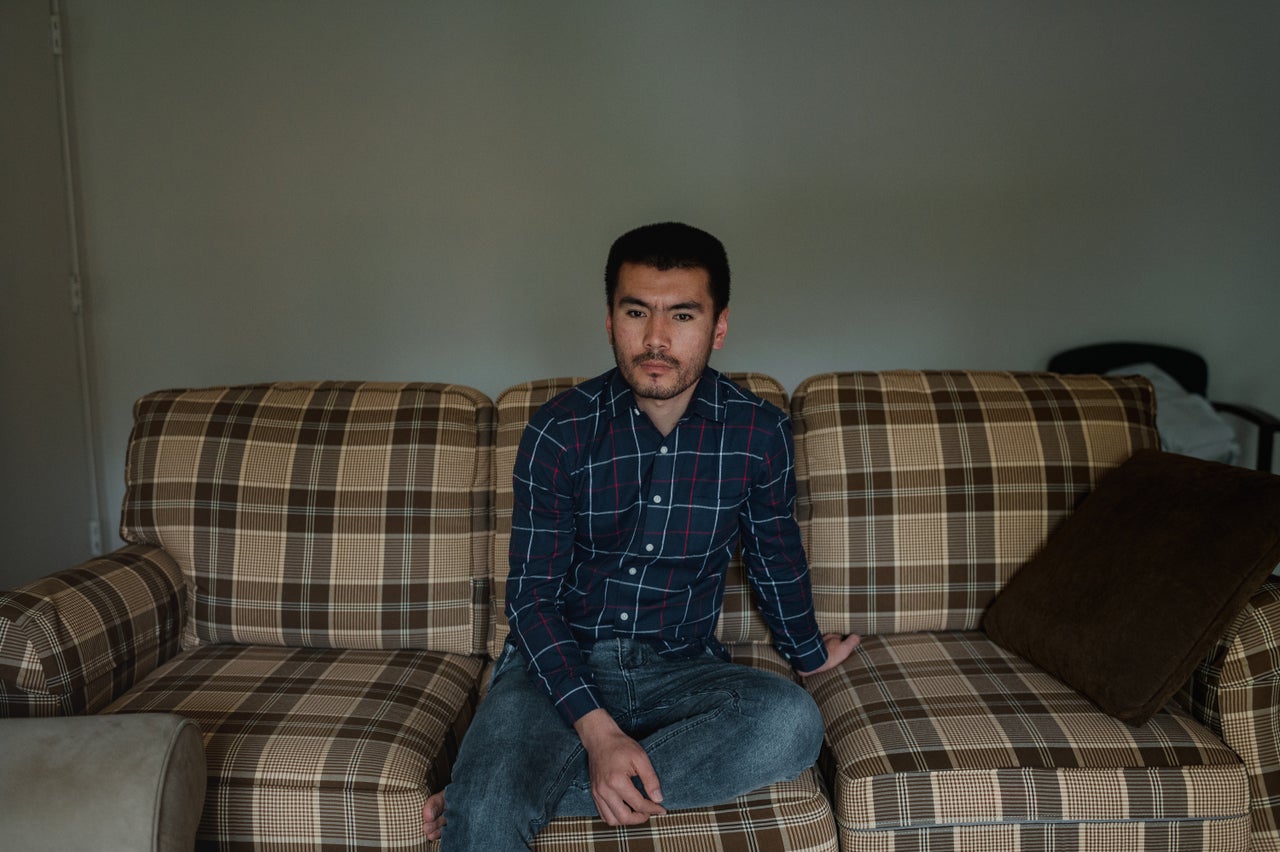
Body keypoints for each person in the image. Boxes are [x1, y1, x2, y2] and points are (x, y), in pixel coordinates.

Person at [423, 221, 859, 849]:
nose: (656, 339)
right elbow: (531, 601)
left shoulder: (757, 433)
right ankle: (494, 797)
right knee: (492, 807)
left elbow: (774, 555)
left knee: (791, 722)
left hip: (680, 667)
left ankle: (490, 796)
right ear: (610, 320)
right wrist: (598, 734)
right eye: (637, 313)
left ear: (719, 325)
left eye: (682, 315)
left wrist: (811, 654)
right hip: (556, 668)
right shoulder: (559, 430)